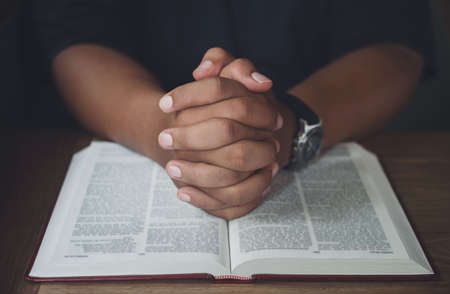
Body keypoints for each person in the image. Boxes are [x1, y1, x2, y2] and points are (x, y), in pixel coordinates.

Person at [31, 0, 434, 219]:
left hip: (328, 118)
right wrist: (165, 130)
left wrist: (287, 125)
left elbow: (395, 44)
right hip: (123, 114)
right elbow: (74, 39)